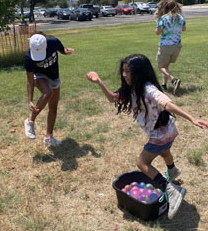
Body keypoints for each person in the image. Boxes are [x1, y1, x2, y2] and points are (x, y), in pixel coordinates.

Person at [86, 54, 208, 220]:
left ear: (138, 73)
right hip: (170, 130)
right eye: (123, 71)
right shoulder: (131, 88)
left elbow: (166, 102)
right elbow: (112, 99)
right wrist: (99, 82)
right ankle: (172, 170)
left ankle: (171, 190)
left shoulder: (148, 89)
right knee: (164, 151)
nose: (124, 75)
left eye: (127, 71)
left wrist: (192, 117)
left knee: (142, 163)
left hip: (160, 135)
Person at [24, 33, 74, 146]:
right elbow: (30, 81)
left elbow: (62, 50)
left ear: (46, 45)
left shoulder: (53, 42)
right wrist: (30, 100)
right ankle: (30, 121)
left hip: (54, 76)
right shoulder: (28, 57)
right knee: (48, 92)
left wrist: (67, 51)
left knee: (53, 107)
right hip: (39, 76)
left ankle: (48, 137)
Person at [155, 0, 186, 94]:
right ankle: (164, 84)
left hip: (165, 46)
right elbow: (184, 29)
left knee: (161, 67)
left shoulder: (163, 18)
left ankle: (174, 80)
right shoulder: (180, 17)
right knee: (166, 66)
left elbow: (157, 32)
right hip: (177, 46)